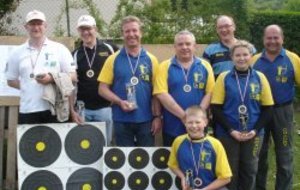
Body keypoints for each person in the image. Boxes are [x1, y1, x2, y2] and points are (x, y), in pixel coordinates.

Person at [211, 40, 274, 190]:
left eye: (245, 54)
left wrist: (255, 130)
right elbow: (216, 107)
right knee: (229, 171)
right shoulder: (224, 77)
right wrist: (231, 130)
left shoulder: (260, 77)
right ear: (231, 57)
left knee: (250, 170)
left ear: (251, 56)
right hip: (228, 133)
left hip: (253, 134)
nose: (241, 58)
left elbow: (268, 108)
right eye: (237, 55)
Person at [98, 16, 162, 146]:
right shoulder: (112, 59)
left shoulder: (152, 59)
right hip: (121, 120)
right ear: (122, 34)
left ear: (141, 33)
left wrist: (157, 117)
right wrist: (119, 102)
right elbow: (102, 89)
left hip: (146, 120)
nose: (131, 34)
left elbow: (156, 93)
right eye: (127, 31)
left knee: (146, 159)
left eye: (134, 30)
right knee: (125, 162)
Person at [250, 25, 300, 190]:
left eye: (276, 37)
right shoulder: (253, 60)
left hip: (283, 115)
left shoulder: (293, 59)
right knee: (258, 154)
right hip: (259, 114)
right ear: (263, 40)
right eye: (269, 38)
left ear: (282, 39)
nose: (272, 41)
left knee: (284, 154)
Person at [5, 10, 76, 124]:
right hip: (28, 109)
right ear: (26, 27)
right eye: (32, 24)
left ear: (45, 26)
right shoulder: (16, 53)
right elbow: (11, 81)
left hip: (54, 108)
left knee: (55, 142)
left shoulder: (59, 48)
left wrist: (51, 79)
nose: (36, 27)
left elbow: (73, 76)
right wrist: (28, 86)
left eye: (39, 24)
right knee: (30, 142)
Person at [154, 30, 215, 146]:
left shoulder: (205, 65)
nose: (184, 47)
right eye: (180, 44)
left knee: (198, 160)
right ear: (174, 47)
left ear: (194, 46)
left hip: (198, 126)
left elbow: (210, 92)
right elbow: (161, 94)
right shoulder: (164, 66)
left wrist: (196, 116)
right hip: (172, 125)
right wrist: (183, 116)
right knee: (173, 160)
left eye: (188, 44)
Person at [70, 15, 118, 145]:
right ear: (79, 31)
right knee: (85, 147)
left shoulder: (110, 49)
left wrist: (115, 100)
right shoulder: (74, 54)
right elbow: (71, 85)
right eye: (82, 29)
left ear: (95, 29)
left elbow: (119, 75)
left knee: (105, 145)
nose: (86, 32)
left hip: (105, 108)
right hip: (82, 109)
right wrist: (72, 110)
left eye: (88, 28)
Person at [168, 105, 232, 190]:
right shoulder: (178, 141)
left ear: (205, 122)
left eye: (198, 122)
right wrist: (183, 177)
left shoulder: (215, 144)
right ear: (185, 123)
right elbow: (172, 165)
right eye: (190, 122)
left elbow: (226, 178)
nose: (194, 126)